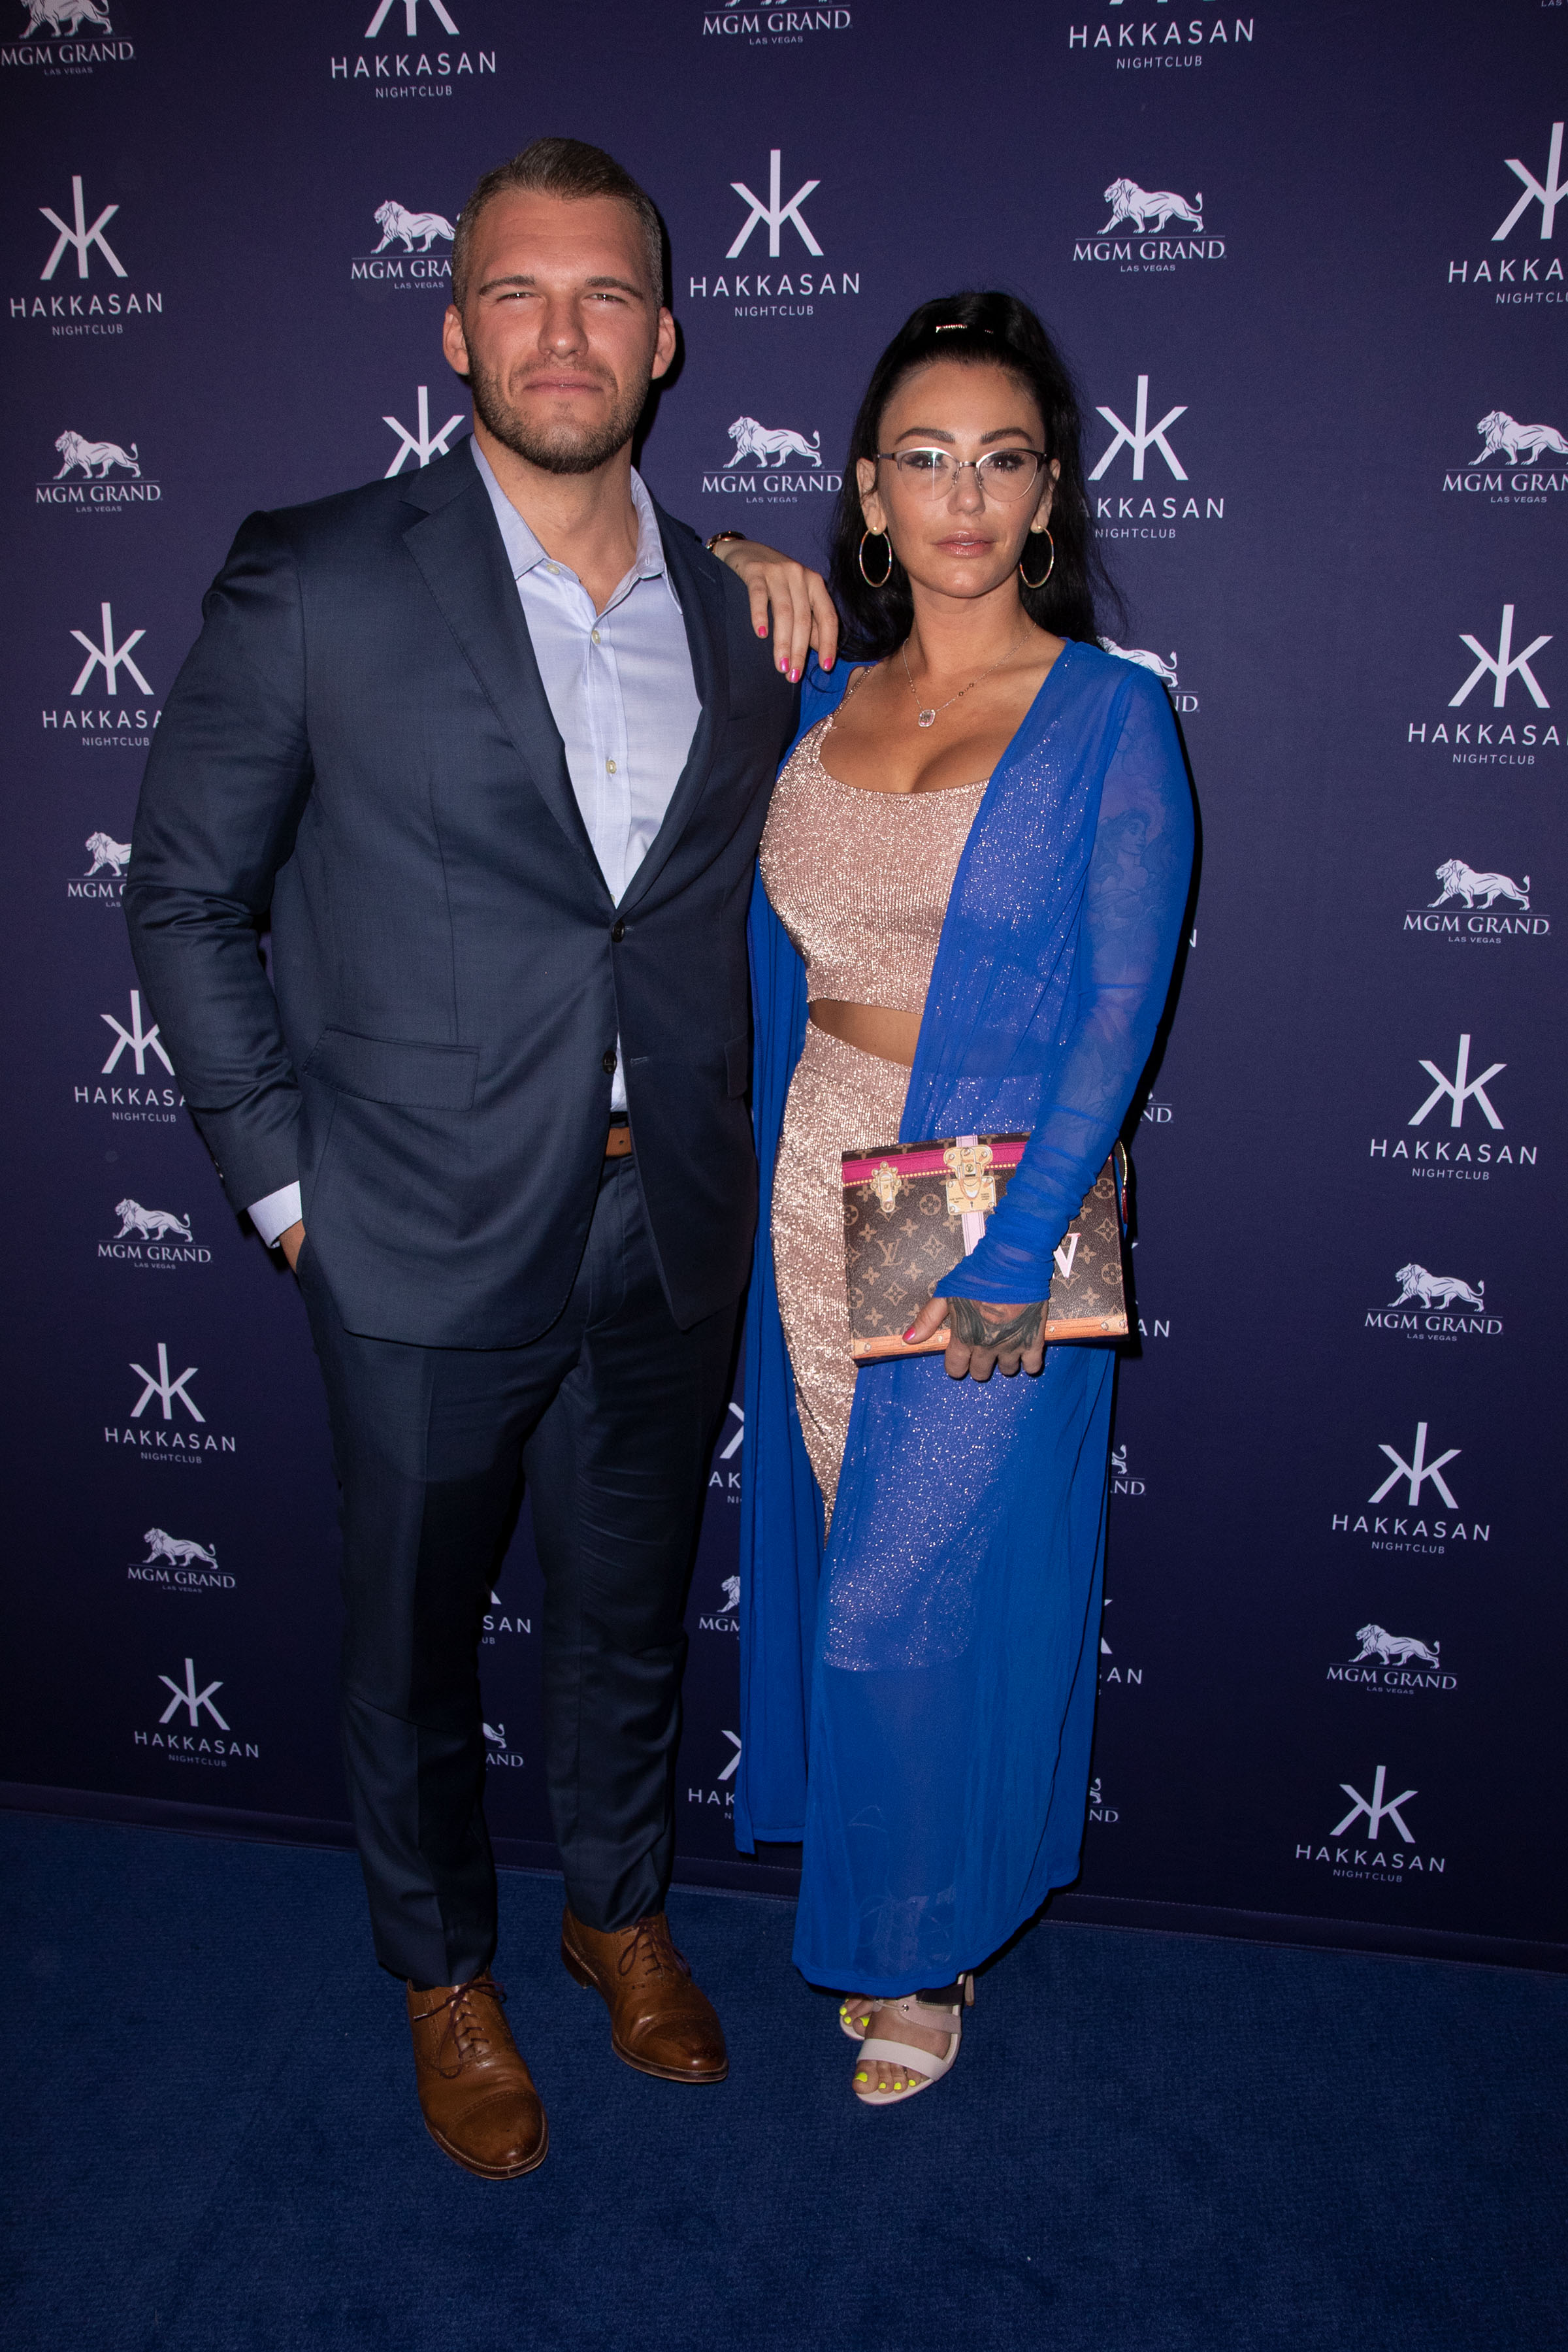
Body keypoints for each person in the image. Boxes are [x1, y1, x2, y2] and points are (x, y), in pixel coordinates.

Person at [124, 137, 833, 2181]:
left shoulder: (736, 604)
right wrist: (286, 1192)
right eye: (518, 292)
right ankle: (445, 1972)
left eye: (605, 294)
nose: (562, 331)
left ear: (666, 337)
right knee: (413, 1646)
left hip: (664, 1220)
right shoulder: (319, 571)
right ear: (454, 331)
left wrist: (772, 564)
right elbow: (184, 893)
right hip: (410, 1230)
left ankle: (617, 1914)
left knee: (628, 1617)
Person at [736, 291, 1194, 2104]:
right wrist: (726, 555)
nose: (963, 496)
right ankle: (909, 1885)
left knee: (904, 1601)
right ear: (869, 489)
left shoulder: (1107, 716)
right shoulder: (818, 693)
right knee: (856, 1542)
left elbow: (1116, 1011)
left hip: (995, 1185)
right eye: (923, 459)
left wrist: (1018, 1245)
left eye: (1003, 460)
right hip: (811, 1155)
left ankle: (923, 1943)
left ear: (1051, 492)